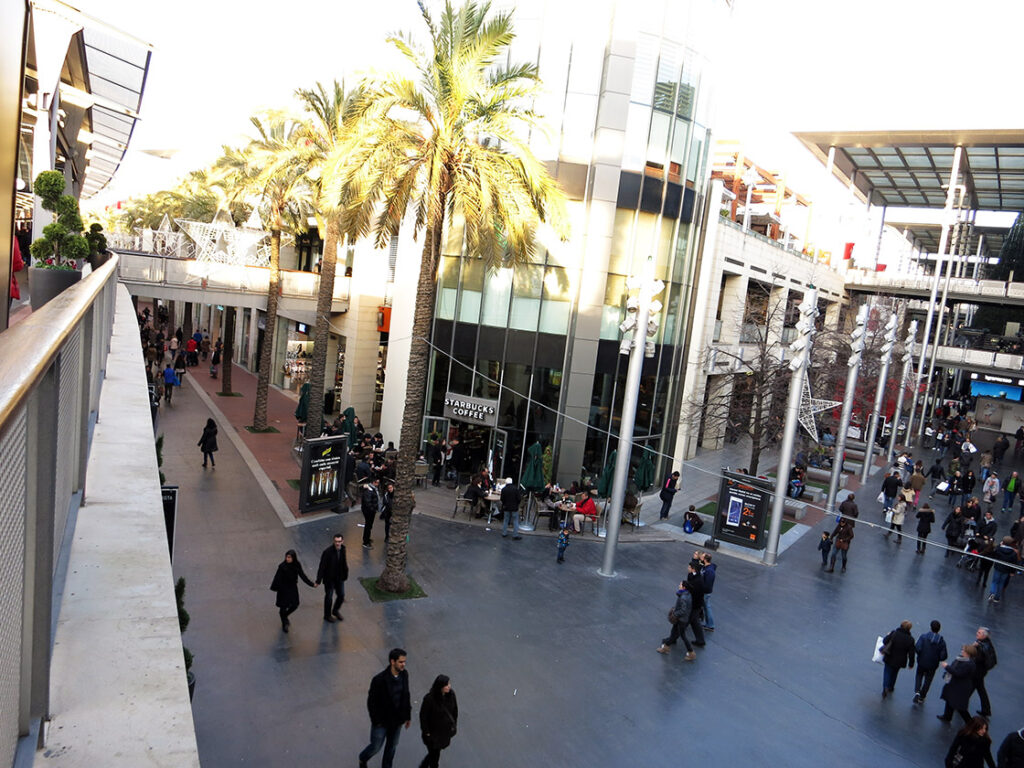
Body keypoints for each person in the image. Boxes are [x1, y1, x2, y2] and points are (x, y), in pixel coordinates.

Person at [358, 648, 412, 768]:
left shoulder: (404, 675)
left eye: (404, 662)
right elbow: (371, 702)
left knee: (391, 748)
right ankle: (363, 758)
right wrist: (376, 721)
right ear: (392, 662)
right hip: (382, 723)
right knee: (375, 747)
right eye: (401, 662)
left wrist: (407, 716)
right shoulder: (379, 680)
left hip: (397, 721)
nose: (404, 664)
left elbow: (406, 695)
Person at [269, 549, 315, 632]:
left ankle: (284, 616)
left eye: (289, 557)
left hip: (293, 588)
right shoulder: (282, 566)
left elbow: (302, 575)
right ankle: (284, 623)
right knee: (283, 606)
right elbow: (277, 578)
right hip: (283, 589)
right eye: (286, 557)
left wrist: (311, 584)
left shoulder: (297, 565)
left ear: (293, 558)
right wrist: (275, 588)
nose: (287, 559)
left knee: (295, 604)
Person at [418, 674, 458, 768]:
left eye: (449, 684)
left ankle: (424, 765)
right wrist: (427, 732)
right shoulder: (429, 699)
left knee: (435, 753)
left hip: (444, 733)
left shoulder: (451, 695)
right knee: (434, 755)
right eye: (446, 685)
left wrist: (454, 724)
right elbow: (423, 716)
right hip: (432, 734)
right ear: (440, 686)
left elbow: (455, 710)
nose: (449, 686)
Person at [939, 644, 979, 724]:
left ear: (968, 653)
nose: (962, 651)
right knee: (950, 700)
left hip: (961, 687)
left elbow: (958, 673)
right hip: (955, 685)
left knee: (960, 707)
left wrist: (947, 667)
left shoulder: (969, 664)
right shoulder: (963, 660)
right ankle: (947, 716)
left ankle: (970, 722)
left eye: (964, 650)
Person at [656, 580, 696, 661]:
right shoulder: (688, 595)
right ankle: (666, 646)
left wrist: (675, 614)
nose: (679, 585)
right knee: (674, 633)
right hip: (683, 619)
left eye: (680, 584)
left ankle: (691, 652)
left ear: (684, 587)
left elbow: (683, 610)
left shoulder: (683, 597)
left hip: (681, 620)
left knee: (682, 635)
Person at [315, 533, 348, 623]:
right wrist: (318, 580)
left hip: (339, 578)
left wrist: (345, 575)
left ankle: (335, 610)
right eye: (336, 542)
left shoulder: (343, 550)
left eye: (339, 541)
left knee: (341, 595)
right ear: (334, 541)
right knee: (329, 598)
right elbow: (322, 567)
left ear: (342, 541)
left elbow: (343, 563)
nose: (337, 543)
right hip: (330, 579)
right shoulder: (327, 552)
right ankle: (327, 615)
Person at [914, 619, 948, 704]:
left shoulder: (923, 637)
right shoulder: (941, 642)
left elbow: (917, 648)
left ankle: (917, 691)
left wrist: (920, 654)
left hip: (922, 661)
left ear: (931, 627)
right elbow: (943, 656)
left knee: (919, 675)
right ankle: (922, 695)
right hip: (933, 664)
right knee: (928, 680)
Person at [880, 620, 915, 699]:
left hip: (890, 656)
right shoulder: (910, 639)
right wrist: (911, 664)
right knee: (895, 673)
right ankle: (891, 686)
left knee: (887, 672)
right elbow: (911, 653)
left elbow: (885, 641)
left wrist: (888, 635)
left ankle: (885, 687)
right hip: (900, 660)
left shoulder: (894, 633)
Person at [973, 627, 998, 718]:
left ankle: (960, 704)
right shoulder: (986, 643)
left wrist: (973, 647)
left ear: (984, 635)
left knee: (973, 688)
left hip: (978, 671)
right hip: (981, 671)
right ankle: (986, 709)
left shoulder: (981, 646)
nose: (977, 633)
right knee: (980, 689)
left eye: (979, 633)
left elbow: (977, 658)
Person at [989, 537, 1020, 603]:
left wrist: (999, 545)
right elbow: (1014, 562)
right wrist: (1012, 572)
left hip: (998, 568)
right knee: (1001, 583)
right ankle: (996, 598)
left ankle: (992, 593)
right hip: (1006, 570)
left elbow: (994, 552)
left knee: (995, 581)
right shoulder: (1013, 553)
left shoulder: (999, 549)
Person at [361, 477, 381, 548]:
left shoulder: (372, 489)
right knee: (368, 526)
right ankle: (365, 542)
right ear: (373, 482)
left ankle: (367, 539)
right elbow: (368, 502)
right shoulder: (369, 491)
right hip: (369, 511)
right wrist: (373, 509)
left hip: (370, 510)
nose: (378, 484)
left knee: (369, 526)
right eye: (377, 483)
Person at [699, 551, 716, 632]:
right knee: (705, 607)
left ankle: (710, 625)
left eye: (702, 557)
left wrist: (702, 590)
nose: (701, 558)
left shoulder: (709, 571)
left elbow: (707, 584)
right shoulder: (706, 568)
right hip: (704, 592)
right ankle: (709, 624)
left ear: (705, 559)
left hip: (705, 593)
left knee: (706, 608)